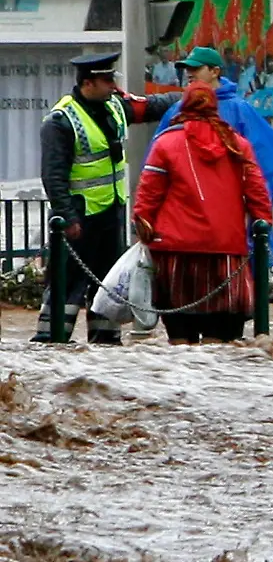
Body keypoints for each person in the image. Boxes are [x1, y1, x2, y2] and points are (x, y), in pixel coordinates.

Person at [32, 52, 179, 344]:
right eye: (106, 80)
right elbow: (53, 175)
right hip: (78, 218)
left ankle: (106, 347)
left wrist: (191, 97)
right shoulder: (62, 121)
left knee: (107, 285)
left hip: (110, 215)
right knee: (67, 285)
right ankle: (51, 343)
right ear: (88, 83)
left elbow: (152, 107)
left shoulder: (115, 107)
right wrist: (67, 217)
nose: (113, 85)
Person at [133, 80, 273, 343]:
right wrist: (262, 224)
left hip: (175, 254)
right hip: (226, 253)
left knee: (180, 342)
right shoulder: (237, 145)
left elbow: (148, 193)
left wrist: (143, 224)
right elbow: (257, 192)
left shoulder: (165, 144)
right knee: (222, 341)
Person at [154, 46, 273, 262]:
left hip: (229, 215)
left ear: (215, 71)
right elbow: (155, 168)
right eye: (186, 69)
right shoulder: (175, 111)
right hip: (186, 215)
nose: (189, 74)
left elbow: (265, 166)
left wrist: (254, 212)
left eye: (196, 68)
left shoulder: (240, 110)